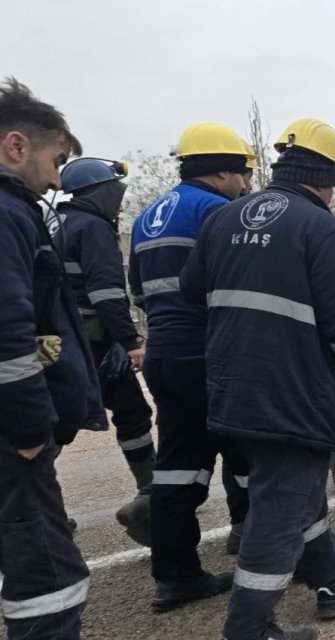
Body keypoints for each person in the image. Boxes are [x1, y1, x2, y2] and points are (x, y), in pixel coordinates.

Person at [181, 118, 335, 640]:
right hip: (294, 392)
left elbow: (190, 292)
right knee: (280, 506)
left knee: (297, 491)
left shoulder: (223, 220)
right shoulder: (325, 230)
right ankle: (248, 627)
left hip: (233, 384)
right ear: (328, 177)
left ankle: (333, 577)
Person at [128, 122, 259, 611]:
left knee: (178, 468)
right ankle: (267, 547)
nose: (246, 184)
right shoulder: (217, 211)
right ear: (222, 170)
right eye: (243, 173)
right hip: (211, 352)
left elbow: (139, 292)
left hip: (164, 353)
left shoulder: (147, 216)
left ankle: (176, 575)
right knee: (251, 453)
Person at [0, 76, 98, 640]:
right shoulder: (8, 213)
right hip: (13, 435)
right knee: (47, 575)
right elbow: (8, 332)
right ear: (17, 146)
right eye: (56, 160)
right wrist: (31, 427)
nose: (58, 179)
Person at [53, 156, 157, 546]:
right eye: (116, 193)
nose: (119, 201)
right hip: (94, 340)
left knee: (63, 419)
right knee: (127, 413)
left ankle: (42, 508)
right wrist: (129, 341)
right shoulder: (93, 227)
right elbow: (107, 293)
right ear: (99, 192)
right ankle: (151, 494)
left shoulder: (57, 222)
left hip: (64, 339)